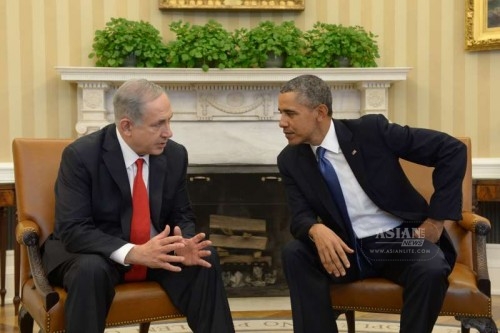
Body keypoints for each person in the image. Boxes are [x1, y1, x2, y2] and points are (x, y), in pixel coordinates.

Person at [41, 78, 235, 333]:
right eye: (159, 124)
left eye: (169, 120)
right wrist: (133, 252)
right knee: (90, 271)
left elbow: (181, 213)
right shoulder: (81, 156)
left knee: (204, 261)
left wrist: (185, 241)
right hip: (96, 253)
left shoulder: (175, 155)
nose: (169, 132)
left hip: (155, 253)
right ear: (127, 126)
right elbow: (73, 229)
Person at [277, 74, 466, 333]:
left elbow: (452, 150)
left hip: (399, 240)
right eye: (281, 113)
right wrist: (314, 228)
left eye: (290, 113)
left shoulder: (370, 131)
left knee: (430, 267)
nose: (282, 122)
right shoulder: (290, 160)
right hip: (347, 249)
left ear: (320, 112)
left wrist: (435, 220)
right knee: (295, 253)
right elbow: (299, 215)